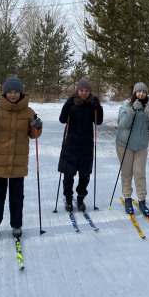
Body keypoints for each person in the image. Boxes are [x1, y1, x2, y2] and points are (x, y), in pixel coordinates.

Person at [0, 77, 42, 238]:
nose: (13, 95)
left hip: (18, 162)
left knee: (17, 196)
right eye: (10, 92)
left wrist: (37, 125)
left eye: (16, 92)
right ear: (5, 93)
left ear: (21, 93)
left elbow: (33, 135)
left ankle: (16, 224)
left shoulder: (29, 112)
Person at [116, 82, 149, 216]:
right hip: (125, 145)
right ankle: (128, 198)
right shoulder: (126, 106)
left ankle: (142, 200)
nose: (141, 94)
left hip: (141, 146)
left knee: (140, 173)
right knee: (127, 172)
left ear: (146, 94)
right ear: (134, 93)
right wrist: (132, 111)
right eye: (138, 91)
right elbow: (122, 124)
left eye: (143, 92)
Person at [58, 79, 103, 212]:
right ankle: (68, 199)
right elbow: (62, 120)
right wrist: (67, 104)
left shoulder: (92, 104)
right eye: (81, 90)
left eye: (86, 91)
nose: (84, 93)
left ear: (89, 92)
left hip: (86, 144)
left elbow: (98, 122)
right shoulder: (72, 103)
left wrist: (98, 107)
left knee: (85, 174)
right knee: (68, 173)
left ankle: (80, 198)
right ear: (77, 91)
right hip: (70, 143)